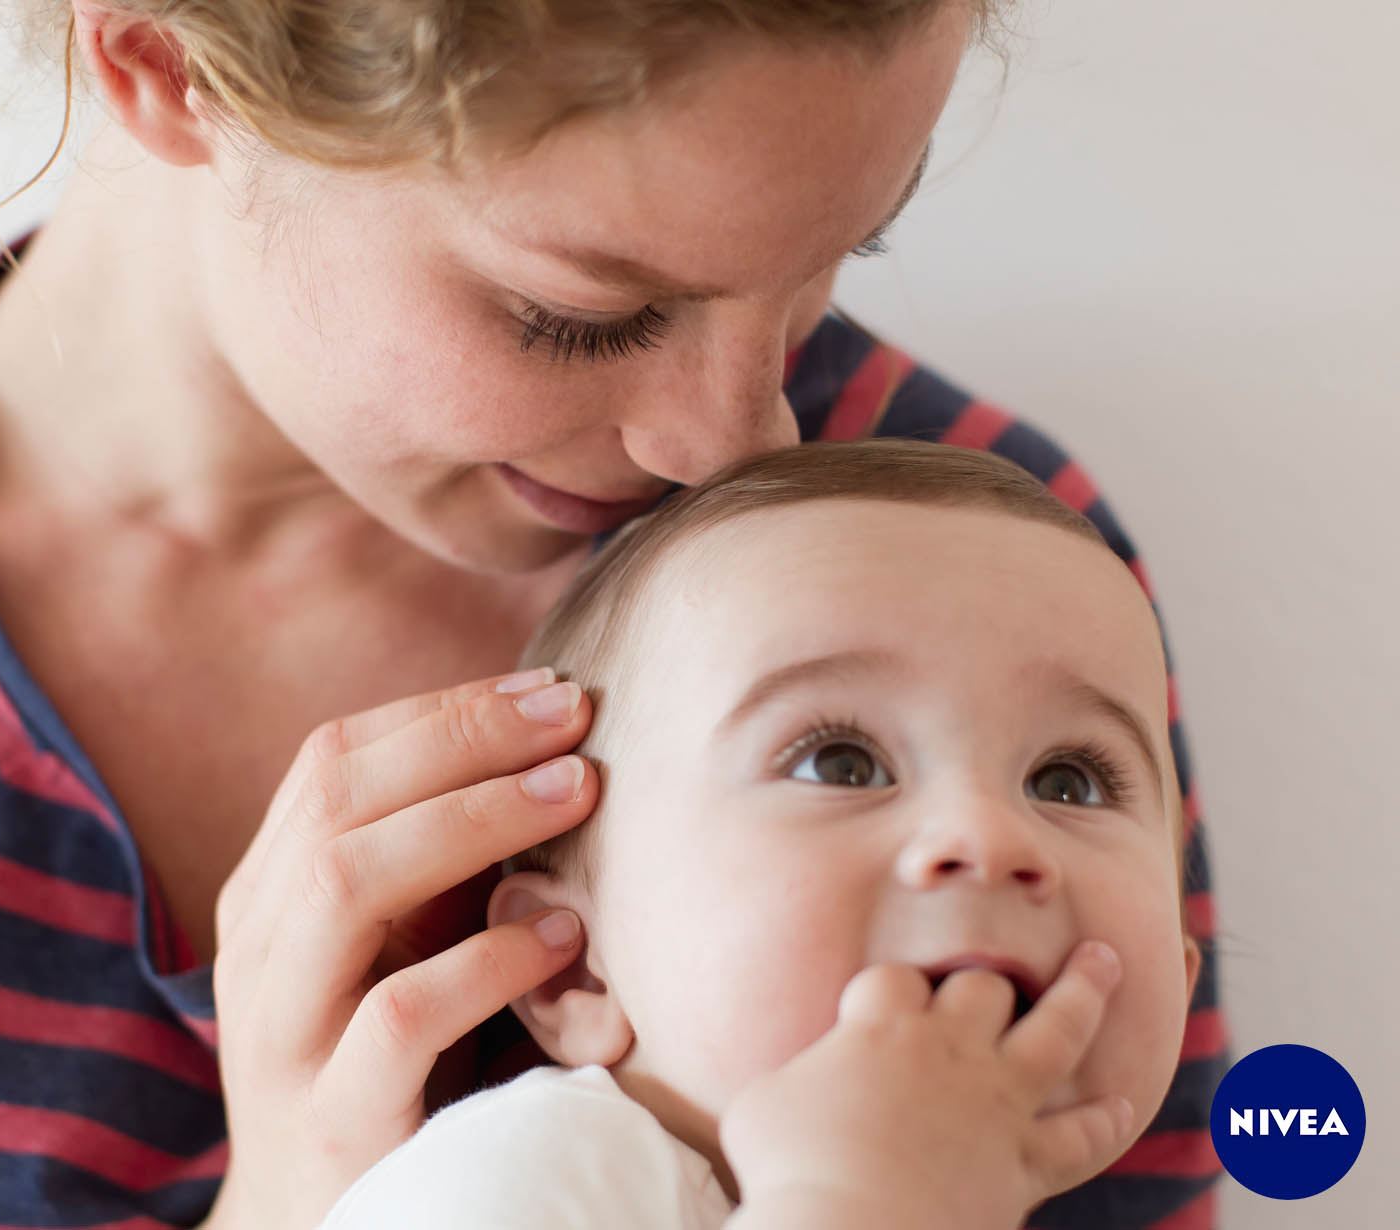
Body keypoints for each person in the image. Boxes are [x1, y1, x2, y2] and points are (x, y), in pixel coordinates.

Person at [0, 1, 1224, 1227]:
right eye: (583, 313)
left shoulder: (977, 565)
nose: (742, 443)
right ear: (162, 63)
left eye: (834, 259)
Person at [315, 440, 1203, 1229]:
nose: (989, 835)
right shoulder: (528, 1173)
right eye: (842, 763)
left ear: (1181, 961)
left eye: (1069, 781)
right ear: (577, 969)